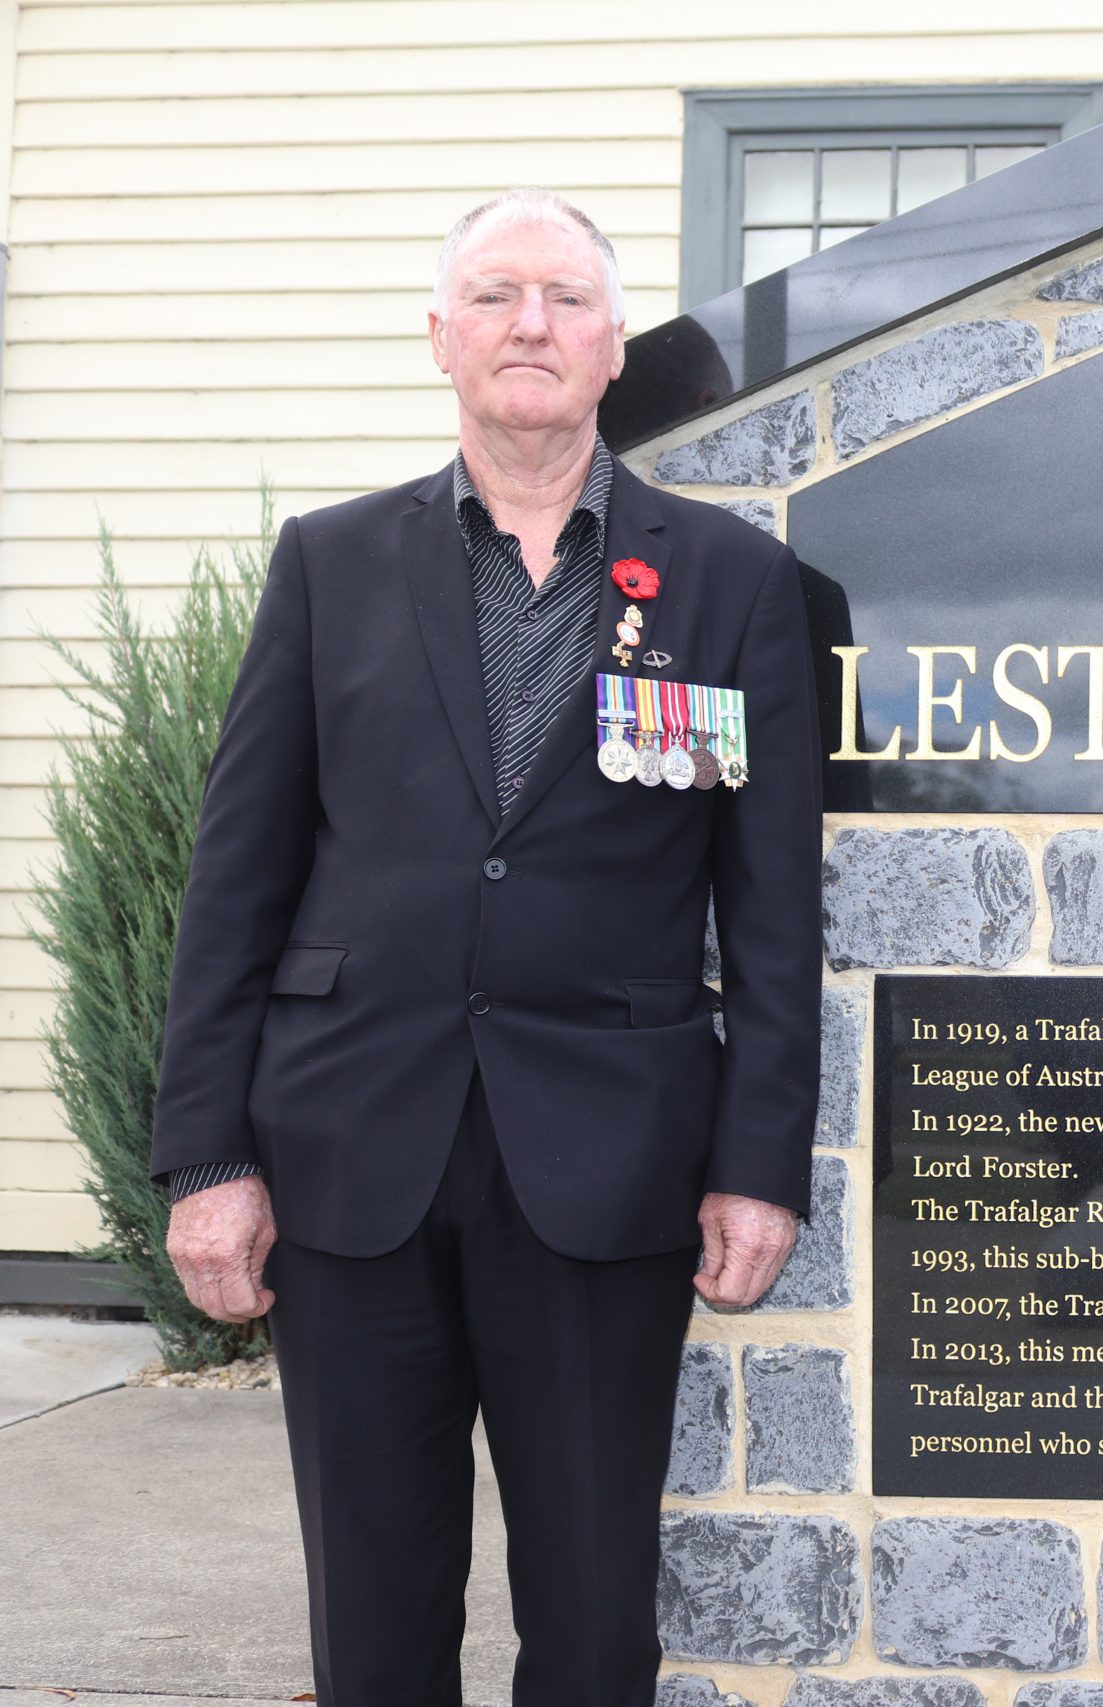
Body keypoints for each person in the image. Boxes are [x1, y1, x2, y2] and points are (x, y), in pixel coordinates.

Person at [149, 189, 822, 1706]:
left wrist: (758, 1165)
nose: (533, 325)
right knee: (376, 1615)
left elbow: (775, 910)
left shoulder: (731, 581)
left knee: (592, 1618)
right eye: (497, 295)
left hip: (607, 1163)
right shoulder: (329, 565)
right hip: (350, 1156)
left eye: (569, 299)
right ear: (441, 336)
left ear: (613, 349)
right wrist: (207, 1158)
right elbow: (235, 883)